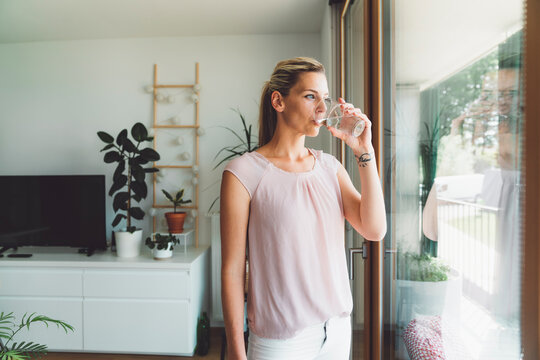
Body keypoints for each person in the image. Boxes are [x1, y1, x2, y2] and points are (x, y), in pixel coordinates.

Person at [220, 57, 386, 360]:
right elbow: (232, 270)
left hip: (336, 332)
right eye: (311, 96)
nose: (322, 109)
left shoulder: (329, 168)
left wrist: (365, 152)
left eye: (324, 98)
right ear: (278, 101)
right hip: (280, 342)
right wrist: (236, 351)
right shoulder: (243, 173)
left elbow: (374, 229)